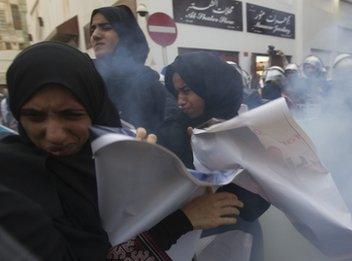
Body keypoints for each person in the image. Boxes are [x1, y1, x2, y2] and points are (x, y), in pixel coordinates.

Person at [1, 42, 243, 260]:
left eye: (71, 115)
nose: (54, 134)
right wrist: (181, 222)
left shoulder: (109, 153)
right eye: (34, 116)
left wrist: (144, 175)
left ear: (94, 108)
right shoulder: (11, 179)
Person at [158, 52, 270, 260]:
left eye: (187, 91)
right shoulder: (173, 131)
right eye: (176, 93)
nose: (180, 101)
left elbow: (259, 202)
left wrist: (224, 153)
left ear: (211, 88)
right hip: (189, 240)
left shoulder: (243, 128)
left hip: (239, 237)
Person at [90, 5, 177, 133]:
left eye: (106, 27)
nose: (95, 35)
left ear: (125, 34)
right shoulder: (88, 79)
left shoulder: (147, 84)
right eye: (92, 29)